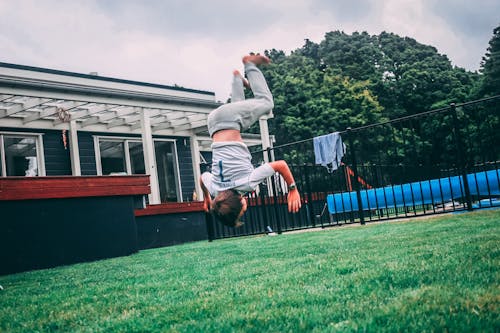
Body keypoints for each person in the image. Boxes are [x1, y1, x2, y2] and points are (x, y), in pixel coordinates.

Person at [200, 53, 301, 227]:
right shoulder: (216, 189)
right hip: (214, 122)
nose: (245, 210)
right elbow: (203, 177)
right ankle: (237, 79)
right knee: (242, 116)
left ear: (240, 203)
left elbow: (280, 165)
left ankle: (250, 65)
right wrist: (207, 198)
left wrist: (293, 189)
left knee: (267, 103)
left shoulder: (247, 183)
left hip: (228, 119)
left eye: (242, 211)